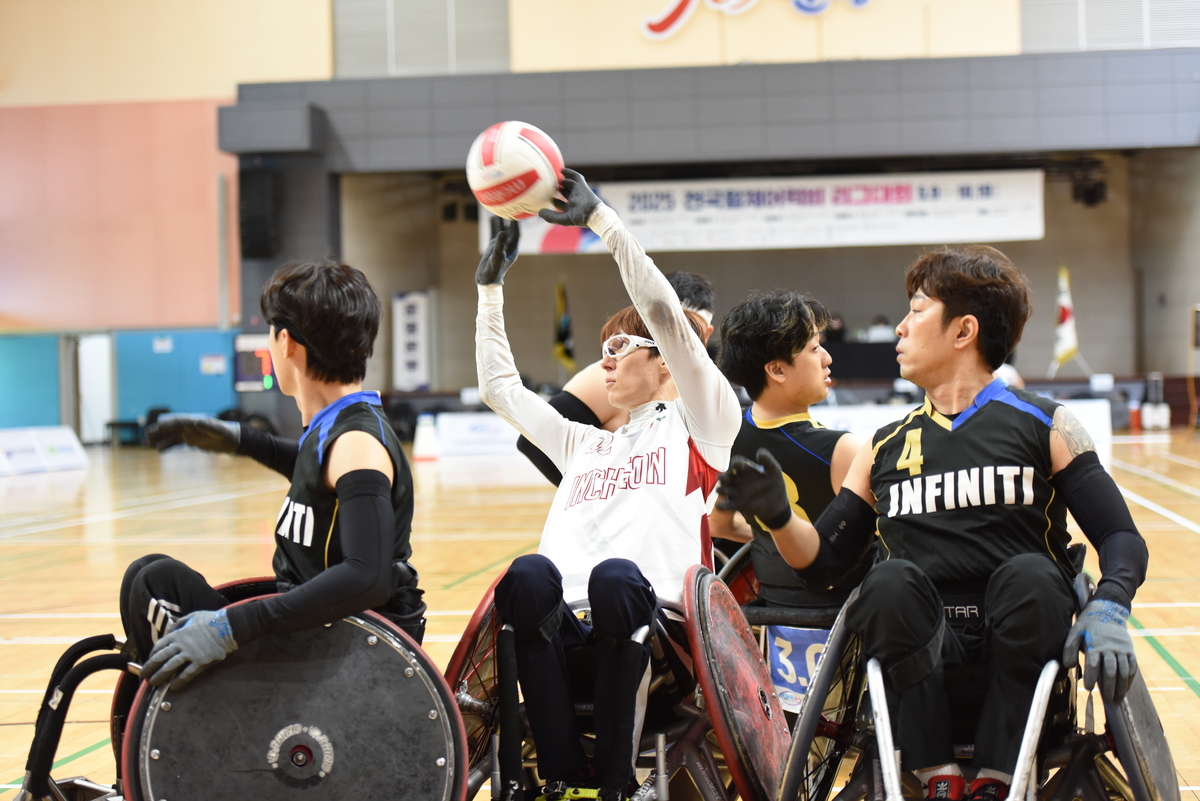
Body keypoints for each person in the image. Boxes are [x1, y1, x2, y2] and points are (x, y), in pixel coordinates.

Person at [718, 246, 1147, 801]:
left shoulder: (1047, 424)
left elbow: (1119, 535)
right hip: (916, 661)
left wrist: (1110, 604)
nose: (900, 327)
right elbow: (822, 565)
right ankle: (935, 773)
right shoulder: (883, 446)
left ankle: (998, 776)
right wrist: (780, 517)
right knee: (888, 581)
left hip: (1023, 658)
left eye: (916, 311)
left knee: (1034, 576)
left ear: (963, 331)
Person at [476, 170, 740, 801]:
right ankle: (565, 779)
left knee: (617, 577)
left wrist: (603, 223)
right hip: (565, 631)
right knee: (527, 575)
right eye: (604, 348)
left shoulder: (702, 428)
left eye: (622, 346)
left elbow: (664, 315)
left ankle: (616, 782)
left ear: (665, 359)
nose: (607, 359)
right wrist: (489, 291)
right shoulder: (583, 443)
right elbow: (499, 389)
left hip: (662, 639)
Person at [127, 260, 425, 691]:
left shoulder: (357, 442)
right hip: (322, 631)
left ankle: (197, 723)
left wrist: (232, 626)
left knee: (155, 585)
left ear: (285, 342)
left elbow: (369, 576)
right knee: (148, 571)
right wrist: (238, 440)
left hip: (346, 651)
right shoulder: (338, 426)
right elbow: (311, 470)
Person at [710, 290, 868, 608]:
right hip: (842, 614)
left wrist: (774, 540)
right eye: (815, 348)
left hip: (774, 610)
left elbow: (719, 525)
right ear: (777, 370)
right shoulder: (843, 450)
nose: (827, 358)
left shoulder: (727, 437)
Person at [516, 271, 716, 486]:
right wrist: (597, 496)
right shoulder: (607, 377)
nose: (680, 339)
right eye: (674, 329)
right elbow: (532, 442)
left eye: (691, 331)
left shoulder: (708, 384)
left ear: (707, 333)